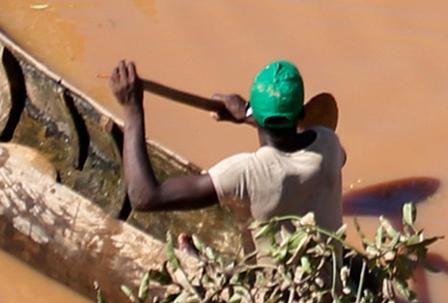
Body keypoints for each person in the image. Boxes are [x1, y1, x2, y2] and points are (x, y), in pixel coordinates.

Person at [111, 56, 347, 236]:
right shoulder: (330, 143)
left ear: (256, 110)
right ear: (302, 113)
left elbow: (144, 198)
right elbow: (295, 136)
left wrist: (132, 111)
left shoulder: (246, 173)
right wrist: (245, 114)